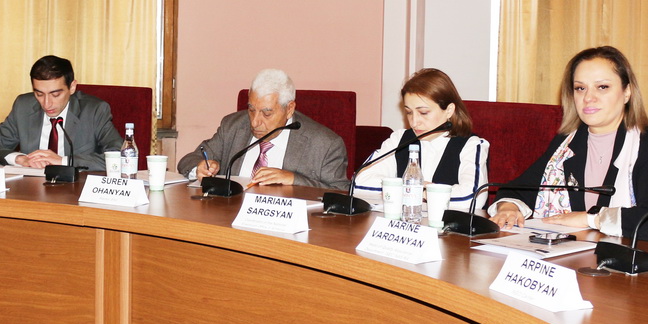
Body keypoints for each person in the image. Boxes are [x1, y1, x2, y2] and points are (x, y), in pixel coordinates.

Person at [489, 46, 648, 241]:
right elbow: (518, 190)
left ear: (627, 92)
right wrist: (508, 207)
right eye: (580, 88)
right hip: (577, 253)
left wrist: (591, 219)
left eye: (602, 87)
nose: (588, 98)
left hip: (637, 255)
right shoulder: (566, 144)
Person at [177, 69, 349, 190]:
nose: (255, 122)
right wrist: (199, 168)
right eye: (251, 110)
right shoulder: (233, 126)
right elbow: (189, 160)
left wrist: (294, 179)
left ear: (289, 109)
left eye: (267, 113)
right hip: (230, 218)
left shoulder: (325, 144)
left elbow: (341, 192)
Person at [355, 69, 489, 211]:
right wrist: (414, 188)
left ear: (449, 110)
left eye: (423, 112)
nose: (414, 122)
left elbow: (472, 198)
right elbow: (359, 184)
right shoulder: (399, 139)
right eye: (409, 112)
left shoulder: (471, 145)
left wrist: (421, 191)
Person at [0, 55, 120, 170]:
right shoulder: (23, 106)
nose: (47, 104)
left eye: (55, 94)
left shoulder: (94, 110)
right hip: (31, 189)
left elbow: (119, 157)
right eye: (39, 94)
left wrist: (63, 161)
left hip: (75, 190)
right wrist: (20, 159)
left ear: (72, 87)